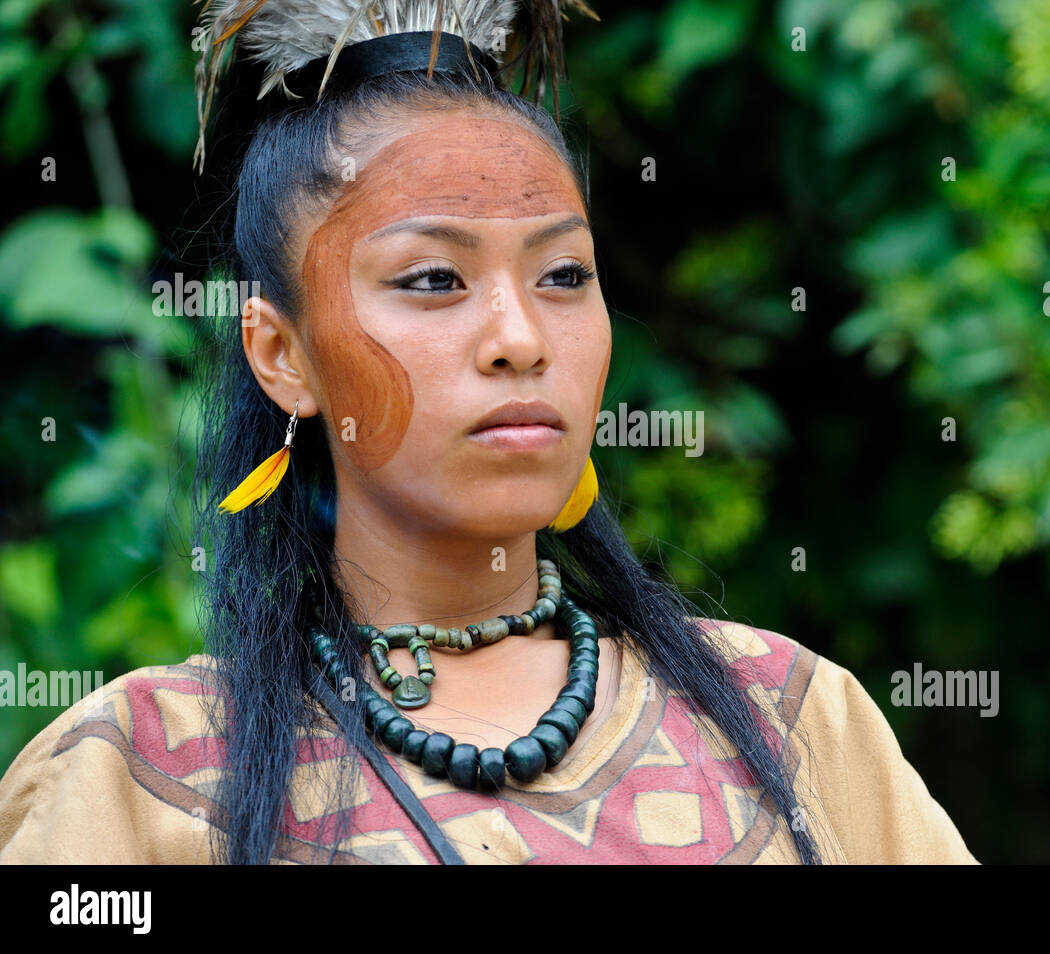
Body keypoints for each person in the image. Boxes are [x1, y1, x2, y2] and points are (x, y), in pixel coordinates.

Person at [0, 0, 978, 865]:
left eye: (562, 276)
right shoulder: (129, 774)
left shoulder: (795, 714)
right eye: (433, 279)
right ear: (280, 353)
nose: (521, 339)